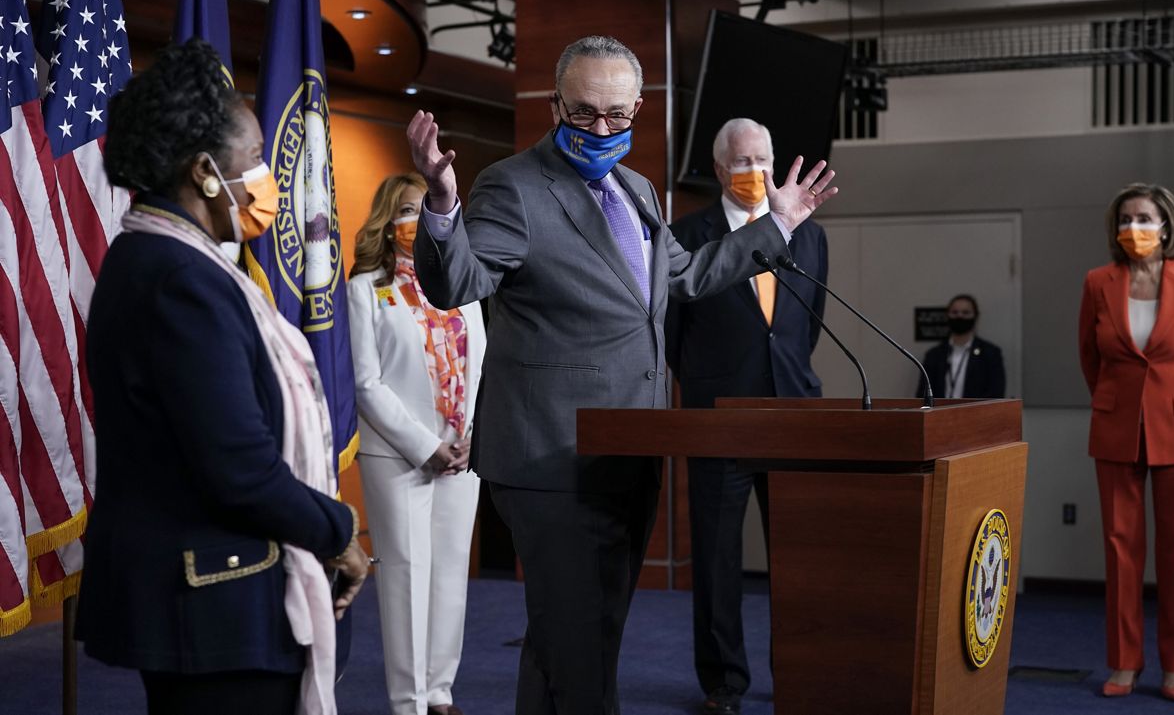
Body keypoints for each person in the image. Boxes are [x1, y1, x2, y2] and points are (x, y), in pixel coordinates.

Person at [406, 35, 837, 715]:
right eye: (582, 113)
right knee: (578, 646)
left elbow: (686, 277)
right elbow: (456, 280)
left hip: (626, 453)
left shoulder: (636, 189)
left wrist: (776, 225)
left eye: (615, 114)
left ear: (638, 108)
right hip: (549, 457)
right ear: (555, 103)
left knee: (579, 638)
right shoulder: (513, 186)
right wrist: (440, 204)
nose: (599, 128)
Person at [76, 39, 368, 715]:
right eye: (256, 160)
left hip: (213, 603)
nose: (267, 177)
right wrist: (340, 527)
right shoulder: (181, 278)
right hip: (214, 610)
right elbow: (239, 469)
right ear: (206, 172)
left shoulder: (163, 258)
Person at [663, 118, 827, 715]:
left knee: (798, 558)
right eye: (741, 161)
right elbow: (672, 338)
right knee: (716, 559)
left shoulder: (810, 236)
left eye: (763, 159)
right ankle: (724, 683)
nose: (754, 172)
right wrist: (710, 388)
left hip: (792, 414)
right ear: (717, 168)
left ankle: (800, 672)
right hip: (717, 419)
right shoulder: (687, 235)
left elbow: (803, 328)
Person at [1077, 182, 1174, 702]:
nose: (1133, 228)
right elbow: (1090, 360)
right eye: (1125, 219)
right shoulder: (1099, 282)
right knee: (1121, 552)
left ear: (1166, 226)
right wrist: (1118, 405)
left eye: (1143, 218)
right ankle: (1123, 662)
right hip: (1117, 427)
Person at [348, 173, 487, 715]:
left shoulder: (462, 288)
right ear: (387, 221)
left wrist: (471, 436)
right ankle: (407, 703)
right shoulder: (364, 289)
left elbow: (480, 369)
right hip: (399, 456)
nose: (415, 220)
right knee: (406, 576)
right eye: (407, 209)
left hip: (464, 454)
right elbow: (366, 382)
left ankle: (439, 693)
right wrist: (426, 444)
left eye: (425, 209)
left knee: (450, 574)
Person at [915, 294, 1006, 399]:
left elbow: (996, 393)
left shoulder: (990, 353)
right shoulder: (934, 355)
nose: (960, 316)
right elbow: (922, 394)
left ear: (975, 316)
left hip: (976, 413)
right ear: (947, 315)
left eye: (966, 313)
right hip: (940, 413)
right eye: (955, 312)